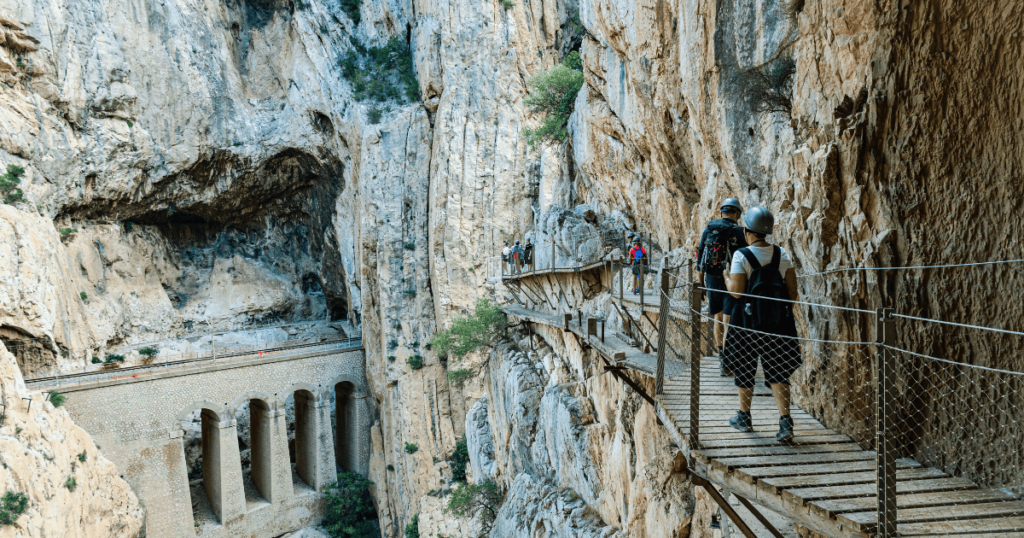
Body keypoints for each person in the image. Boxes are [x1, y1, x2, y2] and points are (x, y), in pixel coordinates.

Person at [723, 206, 801, 442]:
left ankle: (744, 417)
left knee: (745, 368)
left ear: (747, 230)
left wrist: (726, 277)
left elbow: (736, 293)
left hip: (746, 321)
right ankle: (785, 422)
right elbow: (792, 293)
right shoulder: (782, 255)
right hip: (777, 321)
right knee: (778, 370)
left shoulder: (741, 256)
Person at [696, 198, 747, 371]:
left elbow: (700, 257)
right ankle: (728, 360)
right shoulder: (740, 232)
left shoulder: (709, 230)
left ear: (722, 212)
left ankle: (721, 354)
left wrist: (700, 282)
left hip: (711, 278)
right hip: (732, 277)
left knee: (717, 317)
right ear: (737, 213)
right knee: (728, 319)